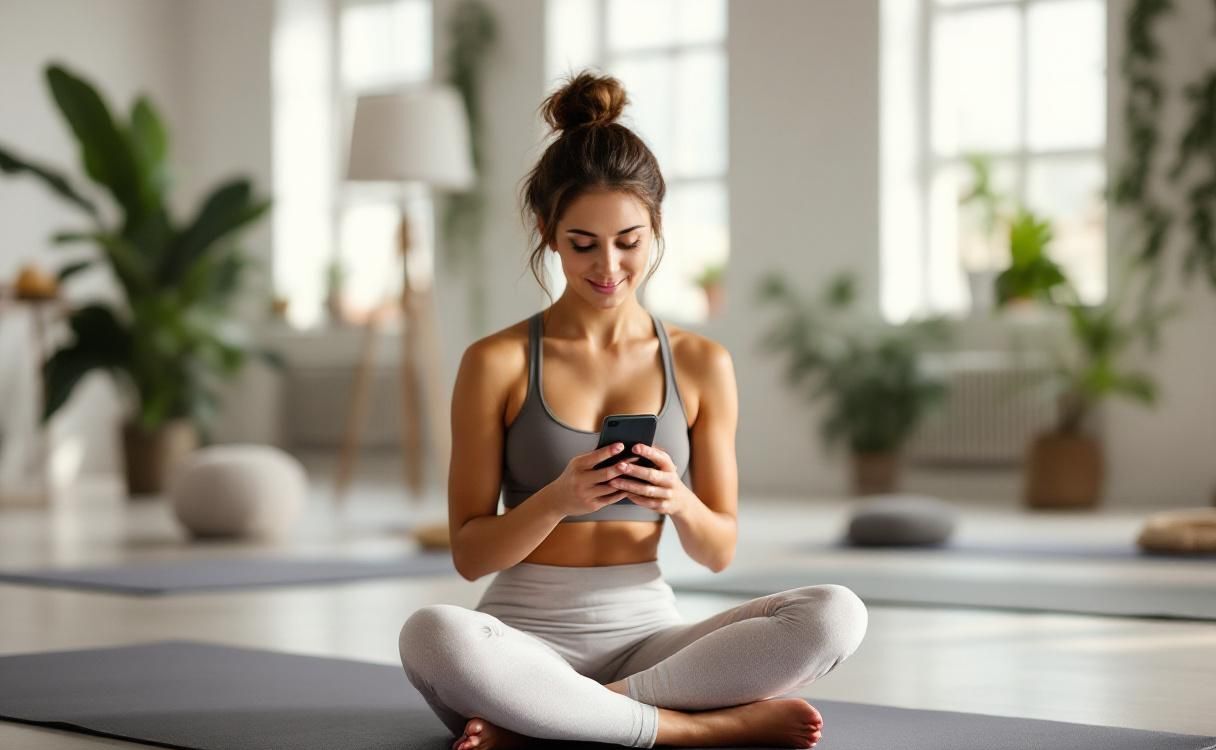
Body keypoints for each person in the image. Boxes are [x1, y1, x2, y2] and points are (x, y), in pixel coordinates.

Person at [398, 70, 867, 750]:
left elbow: (717, 550)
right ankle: (694, 730)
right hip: (523, 647)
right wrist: (558, 499)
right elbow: (470, 557)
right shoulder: (495, 362)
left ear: (656, 228)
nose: (608, 267)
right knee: (432, 633)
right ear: (547, 232)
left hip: (650, 642)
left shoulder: (702, 363)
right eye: (582, 243)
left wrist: (678, 500)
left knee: (835, 614)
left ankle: (556, 722)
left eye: (629, 240)